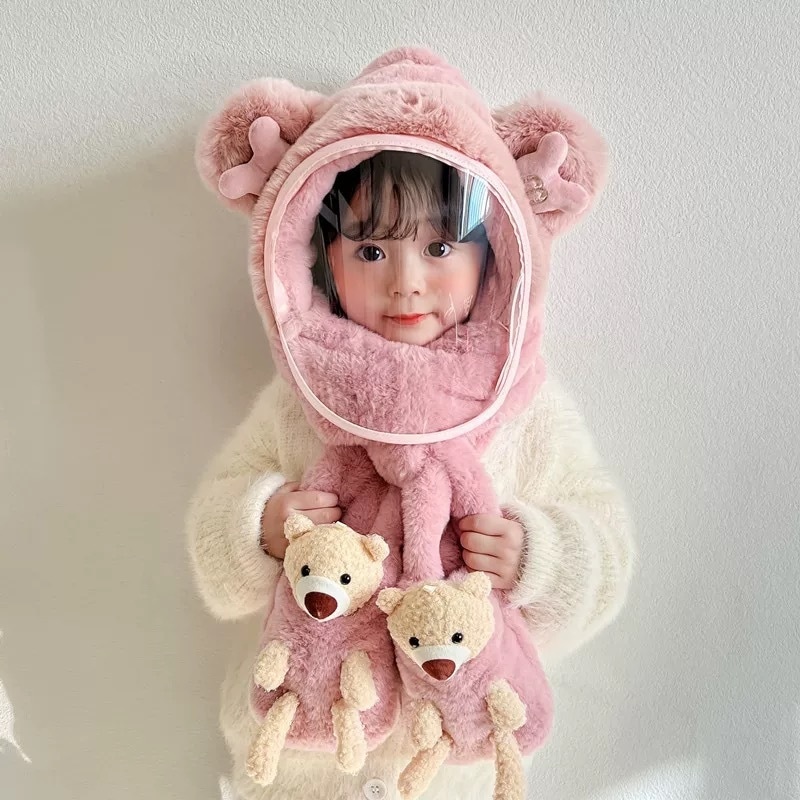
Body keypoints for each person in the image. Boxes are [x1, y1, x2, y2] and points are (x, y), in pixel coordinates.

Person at [188, 47, 635, 800]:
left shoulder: (521, 409)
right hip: (298, 764)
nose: (407, 282)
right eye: (371, 249)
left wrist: (540, 556)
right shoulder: (304, 403)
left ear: (495, 255)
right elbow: (214, 555)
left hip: (455, 769)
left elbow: (608, 553)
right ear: (319, 259)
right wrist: (260, 524)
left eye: (439, 246)